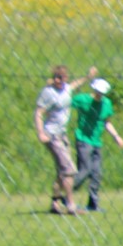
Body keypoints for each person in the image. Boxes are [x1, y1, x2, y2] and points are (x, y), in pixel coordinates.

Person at [35, 63, 95, 214]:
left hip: (62, 135)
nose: (57, 80)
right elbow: (39, 113)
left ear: (66, 78)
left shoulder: (67, 89)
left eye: (61, 77)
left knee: (61, 172)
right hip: (51, 135)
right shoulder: (48, 92)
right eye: (55, 77)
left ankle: (55, 204)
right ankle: (70, 205)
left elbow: (75, 84)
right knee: (69, 170)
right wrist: (41, 132)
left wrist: (88, 77)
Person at [69, 78, 123, 212]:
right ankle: (67, 195)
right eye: (98, 92)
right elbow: (66, 101)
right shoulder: (83, 99)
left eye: (102, 93)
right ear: (93, 89)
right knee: (84, 170)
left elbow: (107, 122)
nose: (99, 95)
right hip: (83, 139)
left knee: (96, 173)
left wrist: (116, 136)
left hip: (96, 142)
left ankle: (93, 203)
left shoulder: (106, 103)